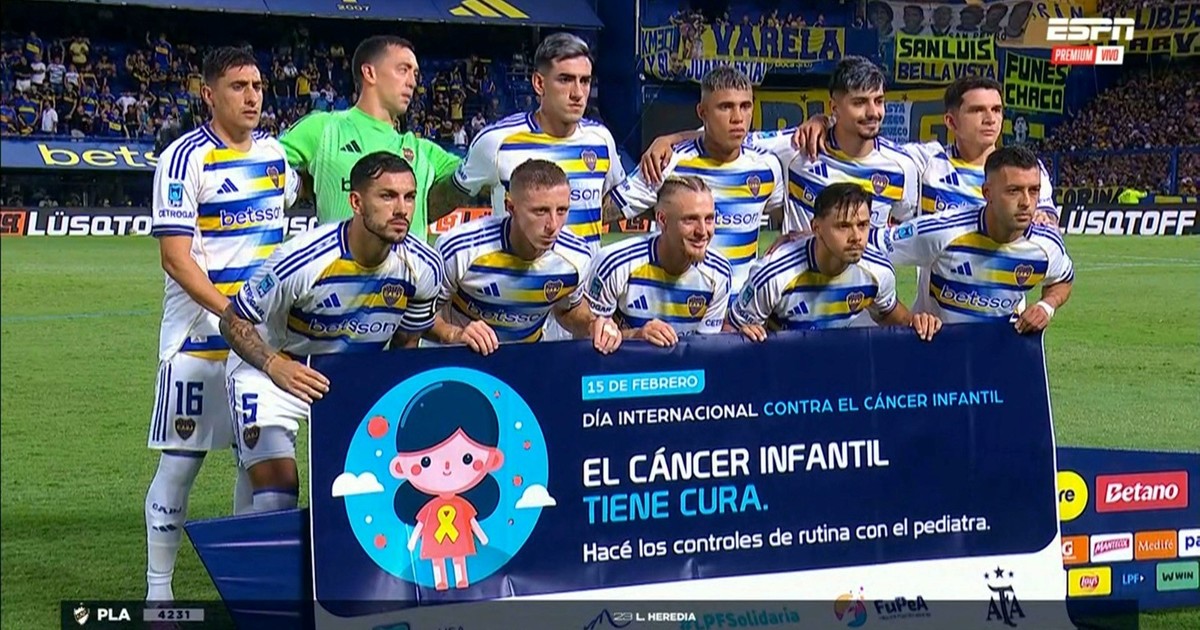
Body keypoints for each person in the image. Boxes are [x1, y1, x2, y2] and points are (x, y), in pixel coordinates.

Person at [144, 46, 298, 603]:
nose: (252, 96)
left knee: (254, 464)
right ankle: (158, 593)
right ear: (209, 94)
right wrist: (231, 314)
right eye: (238, 86)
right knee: (181, 463)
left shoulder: (276, 156)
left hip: (260, 344)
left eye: (257, 85)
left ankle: (245, 591)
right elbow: (176, 258)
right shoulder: (183, 159)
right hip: (199, 341)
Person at [219, 152, 443, 512]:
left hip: (348, 381)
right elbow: (233, 320)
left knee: (355, 493)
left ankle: (252, 534)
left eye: (409, 196)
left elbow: (406, 342)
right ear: (356, 202)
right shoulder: (302, 259)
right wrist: (275, 366)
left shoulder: (424, 267)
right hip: (272, 374)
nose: (402, 209)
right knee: (278, 493)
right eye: (387, 196)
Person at [639, 57, 918, 235]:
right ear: (834, 107)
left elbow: (903, 228)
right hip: (799, 300)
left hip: (865, 303)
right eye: (860, 103)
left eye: (879, 101)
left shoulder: (902, 166)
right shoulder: (796, 146)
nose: (873, 112)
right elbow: (728, 137)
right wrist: (670, 139)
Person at [604, 65, 785, 293]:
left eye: (745, 106)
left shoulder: (767, 166)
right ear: (702, 112)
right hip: (673, 301)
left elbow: (784, 219)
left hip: (738, 307)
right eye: (725, 107)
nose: (738, 118)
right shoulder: (668, 162)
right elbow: (606, 210)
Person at [438, 33, 624, 248]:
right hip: (514, 270)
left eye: (585, 81)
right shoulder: (497, 141)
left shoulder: (601, 140)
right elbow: (448, 197)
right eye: (565, 79)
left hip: (583, 270)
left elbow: (608, 204)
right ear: (539, 83)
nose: (578, 93)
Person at [790, 76, 1059, 225]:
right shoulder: (924, 161)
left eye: (996, 110)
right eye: (978, 110)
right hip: (935, 308)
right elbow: (866, 144)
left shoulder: (1027, 170)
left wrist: (1044, 219)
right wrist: (825, 121)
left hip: (1005, 304)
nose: (990, 119)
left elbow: (1048, 220)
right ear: (950, 121)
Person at [280, 36, 460, 242]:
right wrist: (298, 185)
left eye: (415, 74)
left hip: (408, 264)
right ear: (369, 73)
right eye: (403, 70)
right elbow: (263, 160)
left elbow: (474, 174)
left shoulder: (423, 151)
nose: (412, 82)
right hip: (340, 262)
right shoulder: (324, 129)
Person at [426, 159, 615, 354]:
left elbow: (568, 310)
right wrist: (454, 334)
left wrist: (592, 325)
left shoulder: (576, 257)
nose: (553, 225)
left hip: (527, 361)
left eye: (562, 210)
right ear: (511, 208)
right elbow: (419, 317)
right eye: (540, 211)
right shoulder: (460, 249)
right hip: (462, 360)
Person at [881, 146, 1073, 332]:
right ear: (987, 193)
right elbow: (874, 248)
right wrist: (906, 319)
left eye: (1034, 190)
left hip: (999, 350)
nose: (1026, 202)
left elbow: (1063, 279)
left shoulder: (1047, 245)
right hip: (939, 349)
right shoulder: (943, 232)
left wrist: (1046, 306)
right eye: (1013, 191)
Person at [727, 183, 941, 341]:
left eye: (863, 225)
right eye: (843, 226)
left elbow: (894, 318)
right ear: (816, 228)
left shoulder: (878, 272)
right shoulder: (773, 275)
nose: (856, 236)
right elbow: (730, 334)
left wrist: (920, 323)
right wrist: (740, 335)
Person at [585, 176, 731, 348]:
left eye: (709, 219)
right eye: (690, 219)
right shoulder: (614, 264)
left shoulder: (720, 274)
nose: (702, 231)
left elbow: (704, 350)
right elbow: (588, 340)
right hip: (622, 365)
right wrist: (636, 335)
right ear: (662, 220)